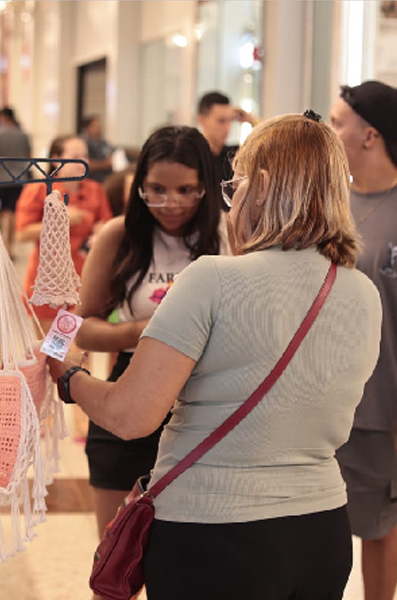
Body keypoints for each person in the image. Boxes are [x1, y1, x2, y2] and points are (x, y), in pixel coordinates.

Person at [50, 113, 382, 599]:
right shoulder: (361, 291)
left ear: (260, 186)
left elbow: (131, 416)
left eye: (236, 183)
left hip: (215, 530)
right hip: (321, 527)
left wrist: (70, 378)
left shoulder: (212, 279)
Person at [74, 127, 229, 563]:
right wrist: (146, 331)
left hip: (206, 405)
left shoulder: (229, 234)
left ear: (206, 186)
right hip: (129, 394)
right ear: (139, 184)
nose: (171, 203)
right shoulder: (118, 235)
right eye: (157, 190)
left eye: (186, 190)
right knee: (116, 562)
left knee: (190, 563)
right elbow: (82, 327)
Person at [329, 80, 397, 600]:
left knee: (379, 528)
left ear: (370, 135)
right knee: (317, 528)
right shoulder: (325, 204)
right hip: (317, 399)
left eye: (337, 123)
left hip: (380, 407)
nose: (330, 132)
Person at [15, 134, 113, 330]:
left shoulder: (95, 189)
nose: (82, 162)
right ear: (56, 159)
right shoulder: (39, 189)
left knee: (80, 343)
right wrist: (59, 220)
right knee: (51, 345)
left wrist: (102, 231)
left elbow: (107, 224)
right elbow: (22, 233)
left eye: (85, 156)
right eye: (75, 156)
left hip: (86, 278)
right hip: (49, 280)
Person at [0, 107, 31, 255]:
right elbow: (29, 155)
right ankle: (9, 247)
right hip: (18, 178)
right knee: (11, 212)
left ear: (3, 117)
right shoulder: (23, 135)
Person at [196, 91, 259, 181]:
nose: (227, 127)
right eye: (221, 120)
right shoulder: (192, 155)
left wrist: (253, 121)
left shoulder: (235, 155)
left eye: (230, 120)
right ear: (202, 120)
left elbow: (271, 146)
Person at [81, 116, 114, 183]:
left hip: (110, 175)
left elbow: (112, 153)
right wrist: (105, 164)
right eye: (96, 126)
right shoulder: (83, 143)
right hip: (95, 178)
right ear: (88, 128)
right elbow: (84, 164)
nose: (99, 128)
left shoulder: (104, 142)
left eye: (99, 126)